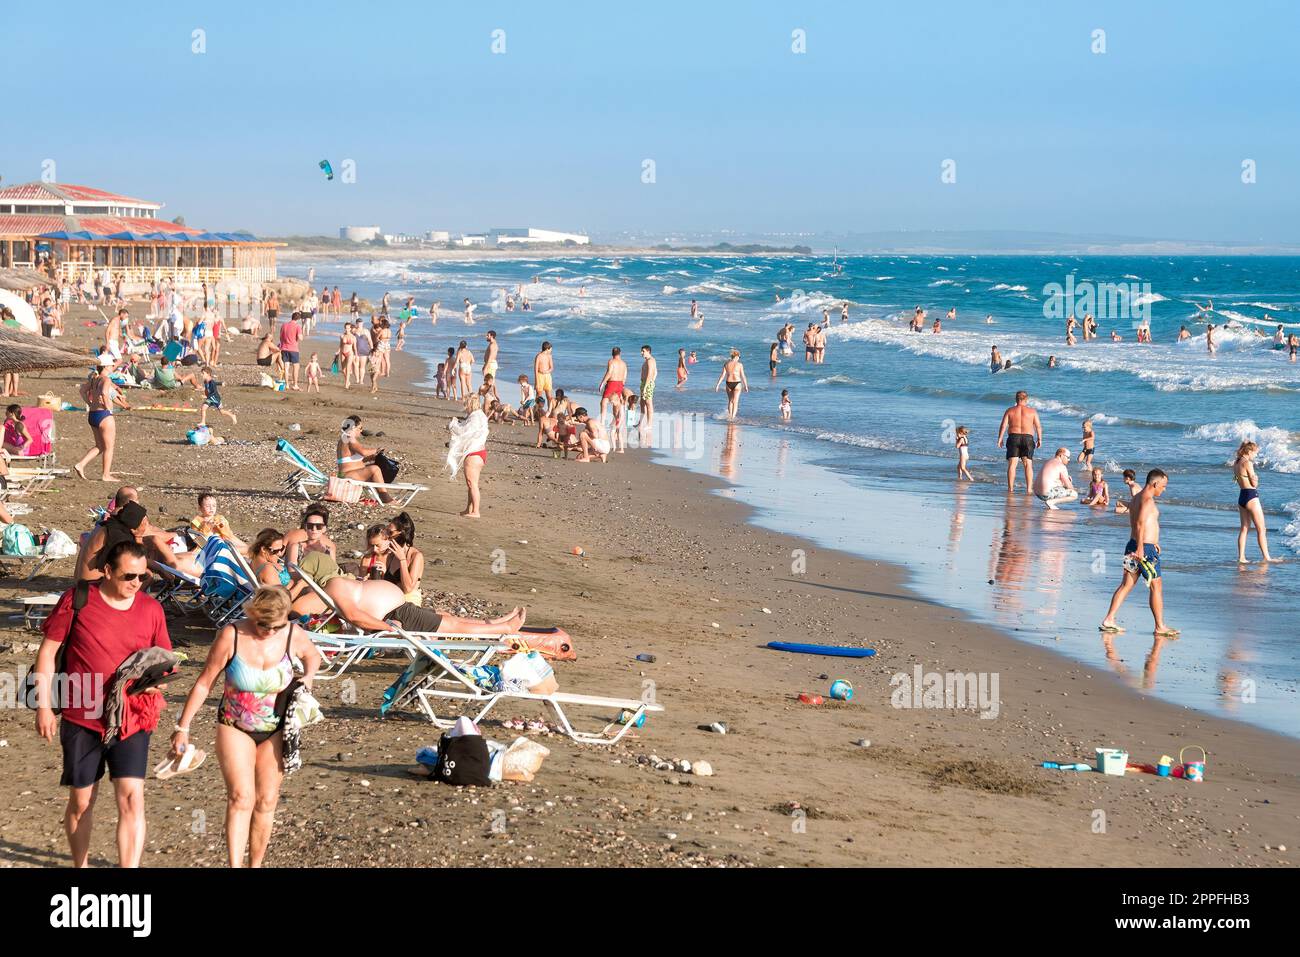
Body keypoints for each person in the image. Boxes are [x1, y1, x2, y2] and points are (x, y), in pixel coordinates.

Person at [33, 540, 172, 868]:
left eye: (142, 578)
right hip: (82, 714)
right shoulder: (77, 599)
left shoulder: (151, 610)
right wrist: (42, 707)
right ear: (107, 571)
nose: (136, 584)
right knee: (82, 801)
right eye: (128, 576)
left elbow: (165, 661)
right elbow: (48, 653)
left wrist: (156, 684)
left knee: (131, 798)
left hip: (132, 715)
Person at [170, 586, 321, 868]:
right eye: (262, 624)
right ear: (253, 614)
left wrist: (309, 676)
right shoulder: (233, 635)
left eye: (275, 626)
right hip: (234, 724)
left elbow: (313, 656)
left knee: (266, 801)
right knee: (241, 797)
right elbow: (205, 682)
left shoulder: (292, 634)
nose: (267, 631)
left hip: (276, 727)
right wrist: (183, 727)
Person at [1099, 469, 1178, 637]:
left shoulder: (1136, 498)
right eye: (1163, 486)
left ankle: (1109, 619)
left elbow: (1140, 523)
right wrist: (1142, 548)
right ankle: (1160, 626)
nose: (1163, 490)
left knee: (1126, 585)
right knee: (1156, 586)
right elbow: (1141, 524)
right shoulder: (1147, 500)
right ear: (1155, 484)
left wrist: (1149, 542)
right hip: (1144, 550)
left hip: (1133, 545)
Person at [75, 355, 132, 482]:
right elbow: (105, 393)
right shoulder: (105, 380)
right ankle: (106, 475)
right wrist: (108, 408)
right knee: (109, 447)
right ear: (106, 366)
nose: (113, 367)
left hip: (93, 414)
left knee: (100, 446)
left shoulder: (95, 379)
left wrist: (89, 403)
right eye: (111, 365)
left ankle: (81, 464)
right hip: (103, 415)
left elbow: (82, 390)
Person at [1234, 441, 1280, 564]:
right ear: (1249, 451)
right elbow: (1254, 484)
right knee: (1261, 529)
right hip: (1251, 496)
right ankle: (1266, 557)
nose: (1255, 455)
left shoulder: (1236, 462)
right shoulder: (1248, 463)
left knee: (1244, 528)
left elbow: (1238, 479)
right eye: (1255, 453)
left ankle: (1241, 557)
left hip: (1242, 496)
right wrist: (1256, 479)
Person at [336, 415, 393, 503]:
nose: (361, 430)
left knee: (375, 467)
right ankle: (386, 498)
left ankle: (379, 495)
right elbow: (363, 452)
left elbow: (351, 460)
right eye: (360, 428)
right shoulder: (349, 437)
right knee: (375, 469)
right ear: (353, 428)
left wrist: (372, 457)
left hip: (345, 474)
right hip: (347, 475)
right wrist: (377, 450)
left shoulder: (344, 438)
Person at [447, 397, 489, 517]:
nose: (465, 406)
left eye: (466, 404)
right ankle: (469, 509)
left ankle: (476, 511)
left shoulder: (475, 417)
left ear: (470, 404)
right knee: (471, 483)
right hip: (479, 452)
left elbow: (463, 431)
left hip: (474, 453)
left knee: (472, 483)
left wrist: (453, 424)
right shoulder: (479, 416)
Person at [996, 390, 1042, 492]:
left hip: (1013, 437)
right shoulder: (1032, 411)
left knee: (1012, 464)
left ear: (1016, 399)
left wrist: (1000, 438)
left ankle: (1010, 488)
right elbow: (1038, 426)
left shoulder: (1010, 410)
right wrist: (1039, 439)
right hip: (1028, 438)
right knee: (1028, 464)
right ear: (1026, 399)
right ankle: (1029, 489)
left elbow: (1003, 425)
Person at [714, 349, 749, 420]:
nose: (739, 358)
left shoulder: (726, 364)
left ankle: (730, 416)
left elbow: (722, 375)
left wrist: (718, 385)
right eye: (739, 357)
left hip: (728, 383)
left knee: (730, 401)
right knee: (735, 402)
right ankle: (732, 417)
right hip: (737, 383)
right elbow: (743, 376)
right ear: (737, 356)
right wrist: (746, 386)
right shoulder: (739, 364)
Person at [596, 346, 627, 424]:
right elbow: (625, 375)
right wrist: (622, 384)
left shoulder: (611, 361)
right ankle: (616, 420)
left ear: (612, 353)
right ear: (620, 353)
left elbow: (609, 372)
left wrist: (602, 383)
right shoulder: (624, 363)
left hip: (612, 383)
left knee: (604, 402)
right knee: (616, 403)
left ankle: (602, 422)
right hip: (620, 384)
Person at [279, 311, 303, 391]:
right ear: (298, 319)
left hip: (284, 348)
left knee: (286, 367)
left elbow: (281, 337)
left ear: (292, 317)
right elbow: (300, 338)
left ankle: (287, 384)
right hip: (293, 349)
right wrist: (301, 336)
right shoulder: (297, 326)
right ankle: (295, 384)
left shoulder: (284, 325)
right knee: (296, 367)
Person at [534, 341, 555, 409]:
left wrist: (546, 371)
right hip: (539, 376)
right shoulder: (539, 356)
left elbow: (552, 368)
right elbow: (535, 369)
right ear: (547, 348)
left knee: (549, 396)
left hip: (547, 376)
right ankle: (537, 411)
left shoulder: (549, 356)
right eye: (551, 348)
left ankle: (549, 411)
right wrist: (536, 382)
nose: (551, 350)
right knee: (539, 396)